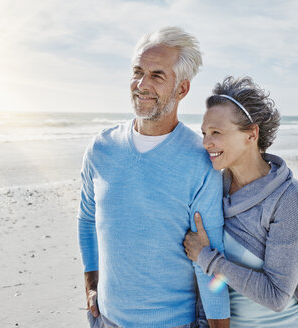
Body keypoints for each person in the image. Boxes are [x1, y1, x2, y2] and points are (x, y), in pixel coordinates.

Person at [78, 26, 230, 328]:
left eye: (157, 75)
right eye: (138, 72)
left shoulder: (200, 162)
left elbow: (211, 260)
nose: (142, 84)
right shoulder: (101, 148)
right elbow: (86, 218)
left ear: (182, 89)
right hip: (105, 320)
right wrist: (91, 283)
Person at [183, 76, 298, 327]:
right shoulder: (212, 188)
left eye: (217, 132)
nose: (206, 142)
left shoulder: (288, 196)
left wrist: (207, 258)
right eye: (204, 133)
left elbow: (277, 295)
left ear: (251, 134)